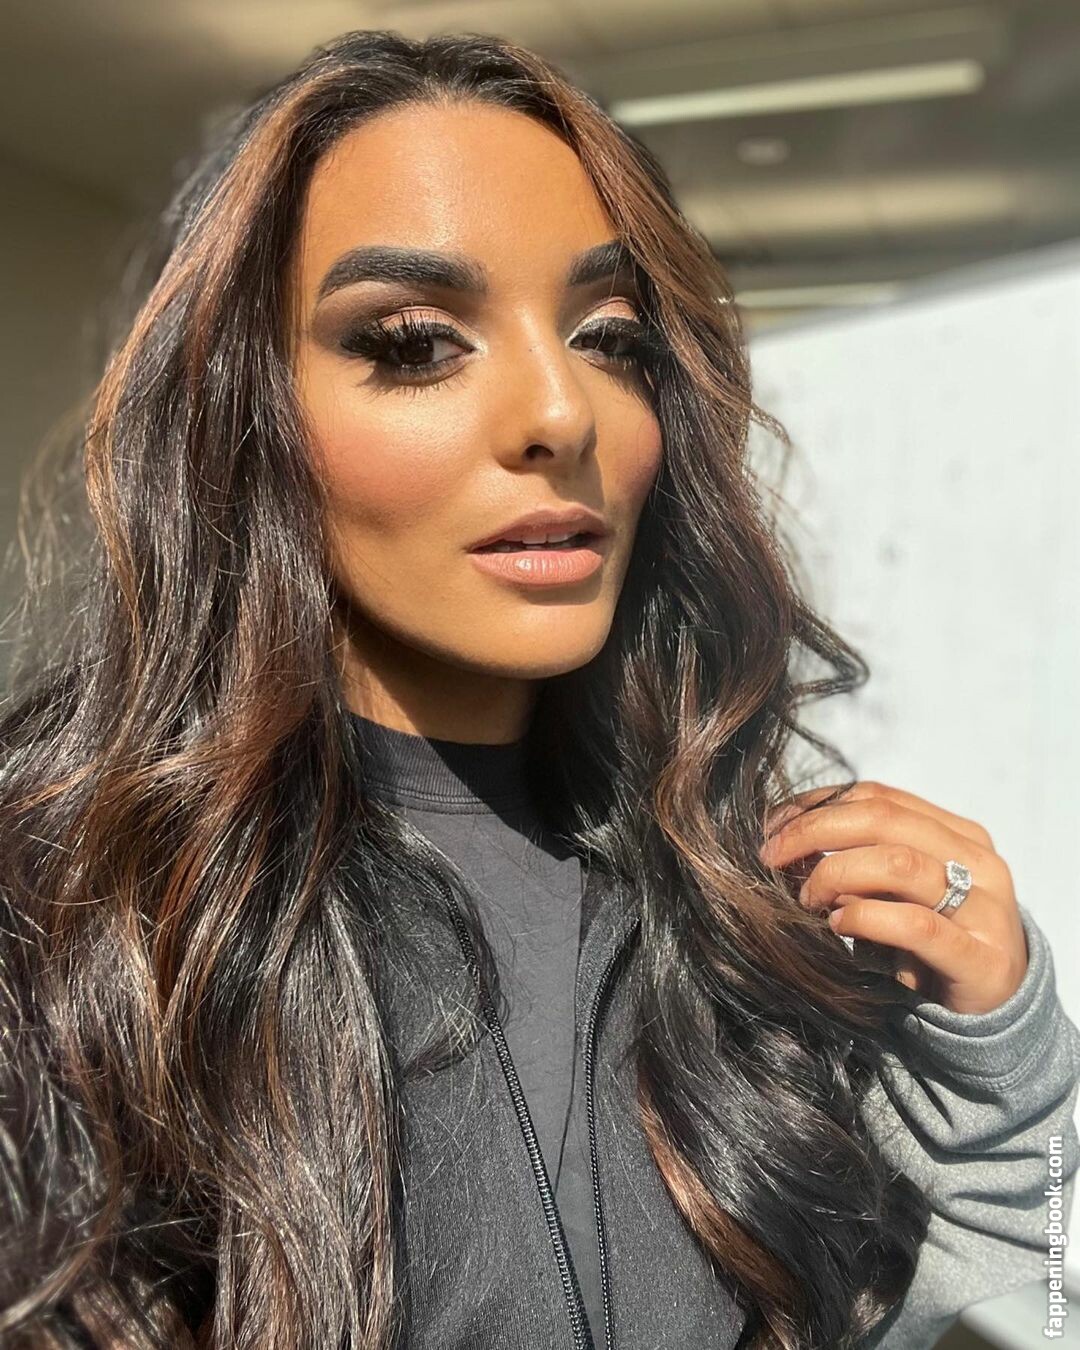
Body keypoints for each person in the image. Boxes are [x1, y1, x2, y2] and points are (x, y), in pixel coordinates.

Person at [0, 27, 1076, 1350]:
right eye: (414, 342)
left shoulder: (744, 903)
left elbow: (966, 1310)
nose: (561, 413)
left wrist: (1006, 1085)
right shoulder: (66, 934)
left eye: (607, 336)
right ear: (243, 414)